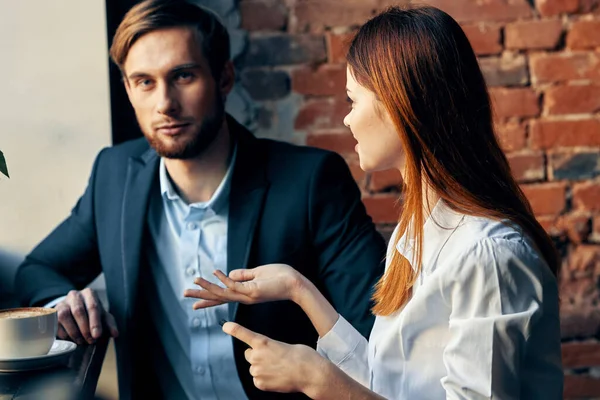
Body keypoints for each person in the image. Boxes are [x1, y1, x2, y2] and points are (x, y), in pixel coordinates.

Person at [185, 5, 564, 399]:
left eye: (353, 101)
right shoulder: (416, 228)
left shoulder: (487, 254)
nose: (347, 120)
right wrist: (299, 289)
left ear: (400, 104)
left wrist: (322, 382)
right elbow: (386, 382)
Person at [13, 1, 386, 399]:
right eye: (144, 82)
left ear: (224, 77)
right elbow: (36, 269)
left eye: (183, 76)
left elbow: (375, 334)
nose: (165, 104)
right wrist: (64, 305)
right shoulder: (114, 175)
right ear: (127, 89)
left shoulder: (310, 182)